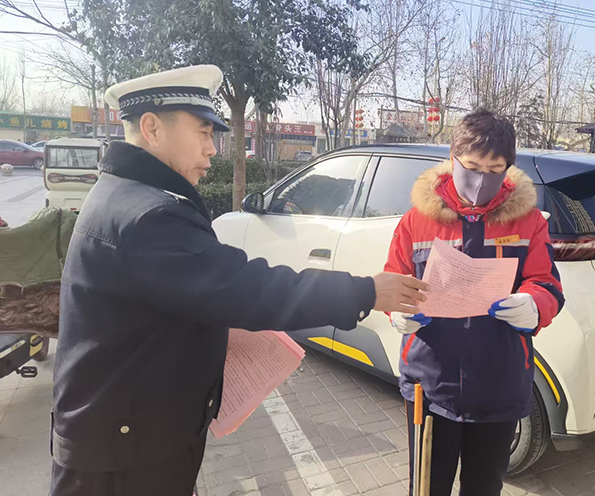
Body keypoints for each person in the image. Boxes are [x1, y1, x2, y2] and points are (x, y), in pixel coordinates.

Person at [50, 65, 428, 496]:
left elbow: (177, 300)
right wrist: (366, 291)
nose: (212, 149)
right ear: (152, 128)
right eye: (203, 133)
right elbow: (247, 287)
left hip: (122, 434)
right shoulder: (150, 216)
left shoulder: (123, 193)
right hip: (125, 458)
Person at [385, 108, 564, 496]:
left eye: (495, 169)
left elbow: (547, 284)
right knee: (426, 488)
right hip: (431, 384)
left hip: (499, 383)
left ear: (508, 168)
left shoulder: (529, 221)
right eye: (472, 167)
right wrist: (397, 310)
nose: (482, 178)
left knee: (484, 488)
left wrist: (534, 304)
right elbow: (394, 280)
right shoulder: (416, 220)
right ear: (452, 159)